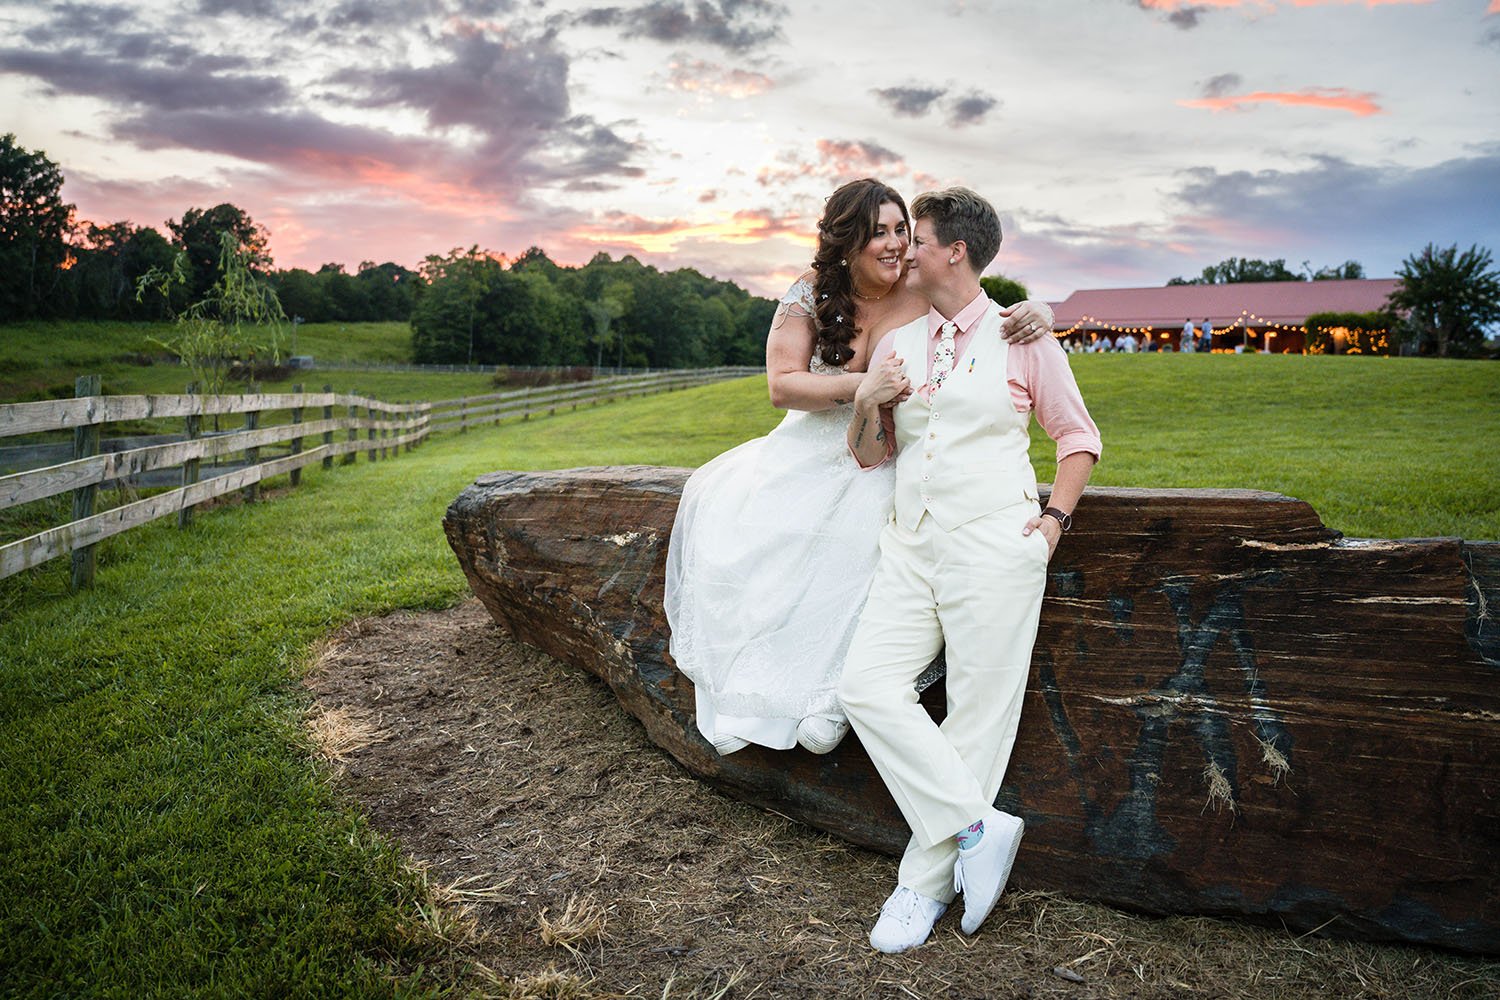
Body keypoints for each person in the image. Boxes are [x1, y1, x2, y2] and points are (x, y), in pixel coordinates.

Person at [664, 178, 1055, 757]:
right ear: (848, 241)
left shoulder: (921, 284)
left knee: (874, 530)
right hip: (809, 446)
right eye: (880, 233)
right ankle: (777, 687)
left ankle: (830, 700)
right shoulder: (810, 291)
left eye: (903, 229)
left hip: (883, 451)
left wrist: (1039, 309)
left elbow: (980, 301)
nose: (897, 244)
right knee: (762, 534)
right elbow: (781, 384)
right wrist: (860, 386)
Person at [840, 187, 1100, 953]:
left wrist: (1051, 526)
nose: (905, 250)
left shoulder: (1024, 335)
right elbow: (867, 454)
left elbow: (1077, 438)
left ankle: (918, 889)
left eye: (916, 238)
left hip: (996, 545)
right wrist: (866, 398)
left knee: (977, 720)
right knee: (865, 688)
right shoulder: (898, 345)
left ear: (955, 250)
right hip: (910, 545)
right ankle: (979, 828)